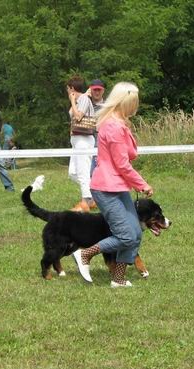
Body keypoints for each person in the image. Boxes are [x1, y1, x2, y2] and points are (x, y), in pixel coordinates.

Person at [72, 82, 154, 288]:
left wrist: (132, 183)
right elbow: (122, 164)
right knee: (126, 236)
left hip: (117, 186)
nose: (136, 107)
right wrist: (142, 184)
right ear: (125, 103)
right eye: (134, 103)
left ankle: (118, 279)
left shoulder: (118, 123)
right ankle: (85, 253)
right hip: (106, 189)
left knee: (135, 234)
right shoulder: (113, 127)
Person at [67, 75, 97, 212]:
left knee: (83, 172)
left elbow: (78, 116)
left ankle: (86, 202)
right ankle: (94, 194)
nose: (67, 91)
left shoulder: (83, 99)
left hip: (84, 140)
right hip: (76, 140)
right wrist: (74, 100)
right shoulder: (81, 99)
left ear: (72, 89)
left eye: (68, 89)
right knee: (73, 173)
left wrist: (73, 100)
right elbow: (71, 113)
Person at [88, 79, 106, 176]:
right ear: (90, 90)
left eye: (99, 90)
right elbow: (72, 114)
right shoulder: (85, 103)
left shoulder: (108, 106)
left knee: (97, 172)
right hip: (87, 139)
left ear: (103, 91)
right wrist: (84, 97)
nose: (97, 92)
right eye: (95, 90)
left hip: (102, 140)